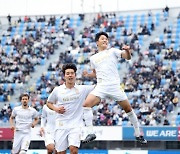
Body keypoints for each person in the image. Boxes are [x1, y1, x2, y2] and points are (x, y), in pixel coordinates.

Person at [82, 31, 147, 144]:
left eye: (106, 39)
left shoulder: (112, 51)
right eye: (102, 38)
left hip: (114, 86)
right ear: (97, 42)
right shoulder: (93, 58)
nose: (105, 40)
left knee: (128, 109)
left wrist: (127, 50)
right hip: (101, 86)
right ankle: (90, 132)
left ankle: (138, 134)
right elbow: (95, 73)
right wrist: (88, 75)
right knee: (86, 105)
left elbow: (127, 57)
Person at [47, 63, 95, 154]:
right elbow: (49, 103)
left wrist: (92, 75)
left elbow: (99, 86)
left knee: (73, 150)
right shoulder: (58, 90)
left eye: (72, 73)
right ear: (64, 76)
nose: (70, 75)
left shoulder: (83, 89)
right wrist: (56, 109)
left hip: (76, 125)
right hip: (61, 124)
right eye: (68, 73)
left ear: (75, 75)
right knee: (61, 152)